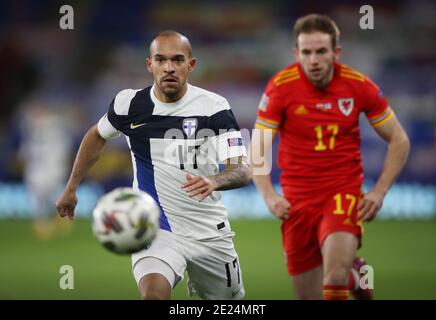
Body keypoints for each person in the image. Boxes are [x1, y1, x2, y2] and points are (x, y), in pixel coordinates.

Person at [56, 30, 251, 300]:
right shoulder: (129, 104)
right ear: (150, 64)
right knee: (154, 296)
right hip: (155, 228)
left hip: (209, 232)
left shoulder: (214, 108)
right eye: (160, 60)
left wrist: (214, 181)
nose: (169, 68)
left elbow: (242, 170)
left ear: (190, 65)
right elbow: (96, 135)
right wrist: (71, 186)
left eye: (177, 60)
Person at [250, 14, 410, 300]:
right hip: (296, 203)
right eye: (306, 52)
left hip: (342, 193)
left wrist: (379, 192)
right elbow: (259, 145)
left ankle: (343, 274)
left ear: (335, 53)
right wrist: (268, 195)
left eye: (321, 51)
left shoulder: (359, 85)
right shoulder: (280, 87)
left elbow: (399, 140)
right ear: (296, 54)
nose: (313, 60)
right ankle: (354, 274)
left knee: (333, 280)